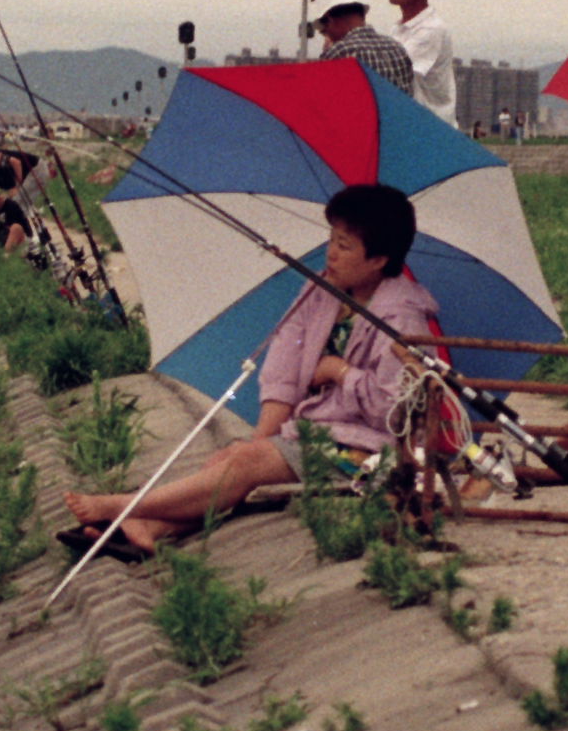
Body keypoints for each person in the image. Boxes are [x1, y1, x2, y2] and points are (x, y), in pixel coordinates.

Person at [63, 182, 438, 557]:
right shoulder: (321, 291)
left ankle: (124, 507)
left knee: (245, 462)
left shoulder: (402, 319)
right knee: (227, 459)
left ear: (379, 259)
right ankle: (148, 527)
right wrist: (262, 438)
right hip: (318, 432)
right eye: (332, 240)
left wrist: (340, 372)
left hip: (369, 450)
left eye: (344, 246)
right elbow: (284, 371)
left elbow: (393, 412)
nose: (331, 254)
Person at [377, 0, 458, 126]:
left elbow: (394, 74)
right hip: (410, 127)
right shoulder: (397, 29)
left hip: (432, 131)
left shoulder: (432, 29)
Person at [312, 0, 418, 96]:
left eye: (324, 31)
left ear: (330, 21)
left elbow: (322, 102)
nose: (326, 35)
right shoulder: (397, 48)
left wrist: (327, 55)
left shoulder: (339, 53)